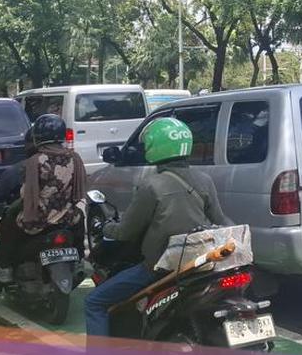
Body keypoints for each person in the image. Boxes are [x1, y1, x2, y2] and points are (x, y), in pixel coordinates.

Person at [84, 118, 229, 337]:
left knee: (94, 303)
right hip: (200, 263)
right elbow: (221, 219)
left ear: (154, 147)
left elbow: (125, 232)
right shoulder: (204, 180)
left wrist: (105, 228)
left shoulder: (152, 185)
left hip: (160, 267)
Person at [0, 114, 86, 293]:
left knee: (8, 221)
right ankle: (80, 260)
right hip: (69, 218)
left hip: (37, 220)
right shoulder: (75, 158)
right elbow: (79, 190)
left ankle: (5, 268)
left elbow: (28, 193)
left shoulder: (33, 162)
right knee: (81, 215)